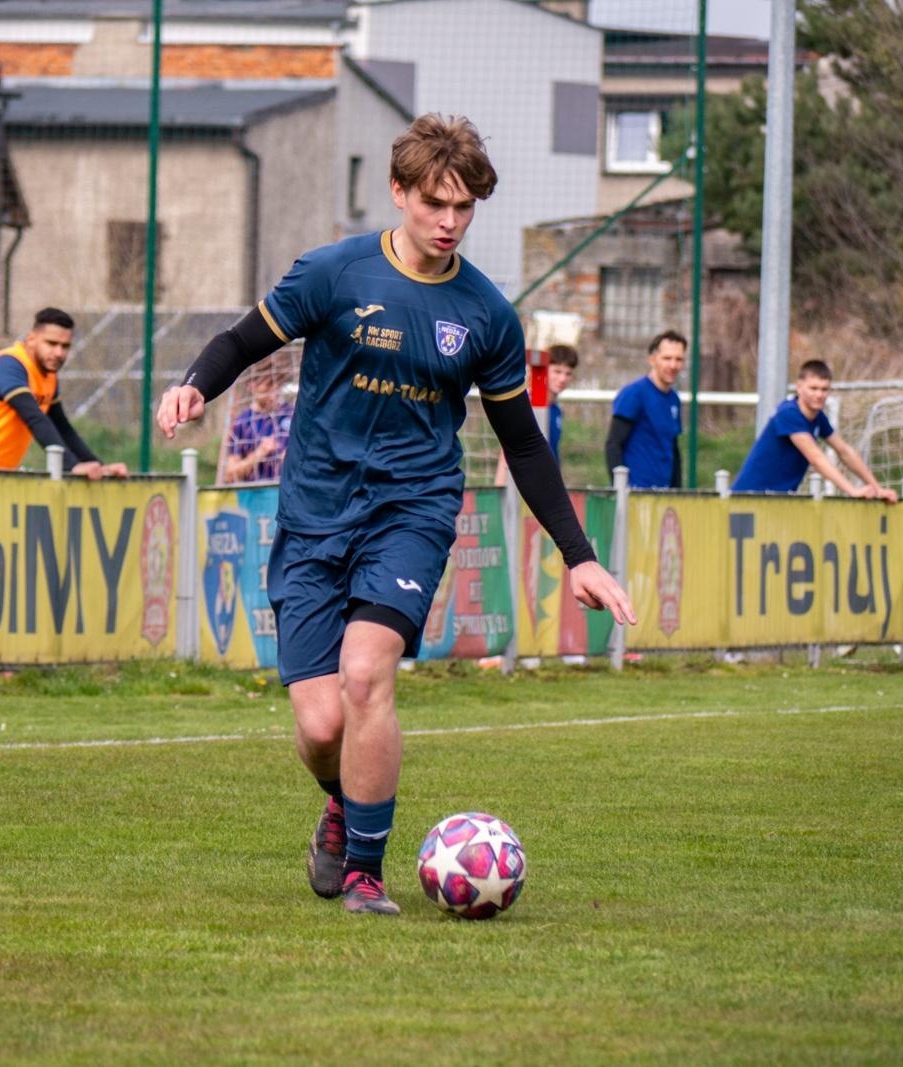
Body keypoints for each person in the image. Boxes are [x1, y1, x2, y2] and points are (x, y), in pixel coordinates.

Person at [157, 114, 636, 916]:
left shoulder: (486, 314)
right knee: (320, 725)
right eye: (435, 203)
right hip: (314, 511)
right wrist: (194, 386)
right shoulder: (335, 273)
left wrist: (578, 553)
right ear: (399, 192)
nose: (450, 221)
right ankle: (342, 803)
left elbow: (522, 443)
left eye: (464, 207)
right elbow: (241, 341)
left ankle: (365, 875)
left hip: (412, 510)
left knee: (366, 674)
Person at [0, 307, 129, 479]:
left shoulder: (48, 376)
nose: (59, 353)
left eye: (65, 346)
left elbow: (63, 428)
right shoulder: (9, 364)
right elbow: (33, 417)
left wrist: (99, 467)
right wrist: (71, 466)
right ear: (31, 339)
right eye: (51, 343)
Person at [732, 359, 898, 499]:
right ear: (799, 387)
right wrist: (852, 491)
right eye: (813, 388)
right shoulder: (788, 413)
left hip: (778, 500)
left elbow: (844, 451)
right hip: (750, 498)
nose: (819, 395)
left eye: (824, 389)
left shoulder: (818, 418)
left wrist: (877, 489)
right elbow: (816, 458)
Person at [605, 329, 686, 489]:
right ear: (652, 360)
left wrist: (677, 491)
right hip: (636, 492)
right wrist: (621, 488)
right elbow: (613, 444)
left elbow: (673, 449)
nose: (673, 365)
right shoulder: (634, 393)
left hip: (664, 493)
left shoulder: (674, 400)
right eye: (667, 358)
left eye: (678, 359)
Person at [493, 343, 576, 485]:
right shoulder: (527, 404)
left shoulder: (556, 409)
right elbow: (508, 451)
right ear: (544, 369)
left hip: (546, 483)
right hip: (525, 484)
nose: (562, 379)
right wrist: (501, 488)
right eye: (557, 371)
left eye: (568, 373)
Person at [222, 356, 294, 483]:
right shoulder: (241, 423)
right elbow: (229, 476)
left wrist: (293, 458)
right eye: (268, 386)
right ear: (251, 386)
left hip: (288, 490)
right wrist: (259, 453)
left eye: (278, 385)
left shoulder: (292, 414)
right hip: (254, 493)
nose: (274, 392)